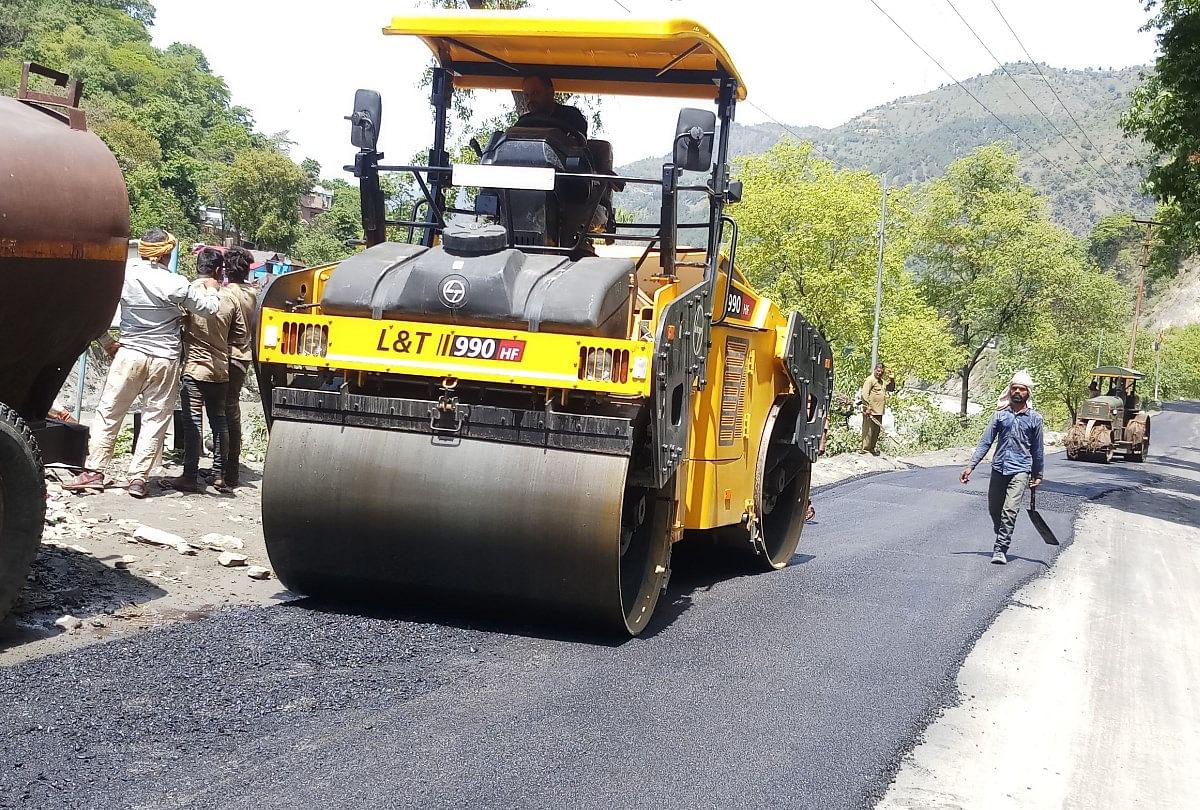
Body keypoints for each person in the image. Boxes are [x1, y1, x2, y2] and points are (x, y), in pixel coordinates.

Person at [64, 230, 220, 498]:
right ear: (166, 254)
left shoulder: (124, 277)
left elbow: (93, 309)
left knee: (109, 412)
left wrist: (106, 342)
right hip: (165, 359)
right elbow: (208, 310)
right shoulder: (177, 283)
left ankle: (94, 472)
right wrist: (214, 290)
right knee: (155, 418)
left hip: (129, 354)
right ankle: (138, 478)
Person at [163, 248, 247, 494]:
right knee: (219, 421)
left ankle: (189, 475)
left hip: (194, 370)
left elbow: (174, 324)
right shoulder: (229, 298)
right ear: (219, 270)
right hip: (220, 370)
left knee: (193, 422)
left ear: (197, 267)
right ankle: (219, 475)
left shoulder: (187, 293)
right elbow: (240, 334)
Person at [959, 370, 1045, 566]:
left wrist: (1038, 473)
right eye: (1014, 388)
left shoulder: (1035, 419)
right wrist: (971, 466)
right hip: (999, 468)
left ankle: (1000, 548)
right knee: (994, 509)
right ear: (1009, 390)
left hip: (1021, 470)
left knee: (1010, 510)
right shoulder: (1000, 416)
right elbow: (985, 442)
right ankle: (1003, 533)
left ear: (1028, 393)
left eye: (1022, 389)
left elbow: (1038, 449)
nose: (1017, 392)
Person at [221, 247, 257, 487]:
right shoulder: (253, 294)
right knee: (232, 409)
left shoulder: (227, 294)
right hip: (244, 357)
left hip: (228, 355)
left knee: (223, 411)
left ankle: (226, 468)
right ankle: (231, 464)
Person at [514, 74, 588, 138]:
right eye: (526, 96)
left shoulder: (571, 116)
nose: (530, 100)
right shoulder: (523, 123)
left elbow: (579, 146)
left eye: (535, 93)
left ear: (551, 92)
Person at [858, 362, 895, 455]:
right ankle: (865, 449)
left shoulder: (881, 382)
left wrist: (892, 380)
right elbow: (864, 394)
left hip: (879, 410)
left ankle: (872, 448)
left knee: (876, 431)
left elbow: (890, 388)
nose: (879, 373)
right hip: (870, 410)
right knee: (868, 430)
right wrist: (867, 407)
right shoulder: (870, 380)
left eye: (881, 372)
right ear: (875, 370)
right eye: (878, 371)